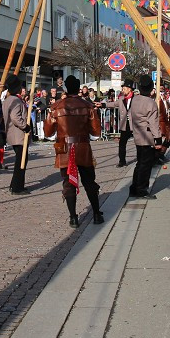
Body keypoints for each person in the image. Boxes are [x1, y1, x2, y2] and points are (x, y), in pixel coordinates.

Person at [43, 75, 103, 227]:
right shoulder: (87, 106)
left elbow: (48, 132)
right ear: (78, 88)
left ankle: (73, 217)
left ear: (66, 88)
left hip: (64, 148)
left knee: (68, 183)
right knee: (89, 181)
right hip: (82, 147)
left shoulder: (56, 107)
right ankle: (96, 214)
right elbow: (96, 131)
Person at [128, 74, 161, 199]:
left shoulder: (134, 100)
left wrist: (133, 129)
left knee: (139, 163)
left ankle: (134, 187)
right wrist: (158, 139)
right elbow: (153, 123)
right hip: (147, 137)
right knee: (146, 165)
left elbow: (130, 116)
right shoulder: (150, 103)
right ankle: (142, 189)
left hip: (138, 135)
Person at [2, 75, 32, 194]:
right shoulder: (15, 100)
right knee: (21, 161)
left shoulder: (7, 99)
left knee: (21, 160)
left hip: (14, 134)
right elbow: (15, 117)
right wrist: (25, 126)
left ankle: (15, 184)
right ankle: (16, 187)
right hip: (18, 134)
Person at [105, 84, 135, 167]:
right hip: (125, 124)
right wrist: (103, 105)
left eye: (124, 89)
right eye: (122, 88)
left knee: (139, 143)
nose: (123, 90)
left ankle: (141, 159)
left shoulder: (136, 99)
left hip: (135, 125)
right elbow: (114, 104)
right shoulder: (121, 99)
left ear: (129, 89)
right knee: (122, 143)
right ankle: (122, 161)